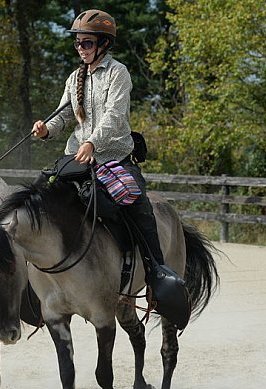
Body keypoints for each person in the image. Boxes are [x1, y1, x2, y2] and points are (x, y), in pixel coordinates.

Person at [32, 9, 189, 328]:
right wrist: (46, 128)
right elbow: (63, 116)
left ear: (103, 43)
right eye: (77, 43)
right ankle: (32, 285)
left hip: (114, 161)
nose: (80, 48)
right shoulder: (74, 78)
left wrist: (92, 143)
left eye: (86, 42)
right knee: (36, 203)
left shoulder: (119, 74)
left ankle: (158, 276)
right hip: (75, 161)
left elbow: (115, 116)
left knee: (139, 209)